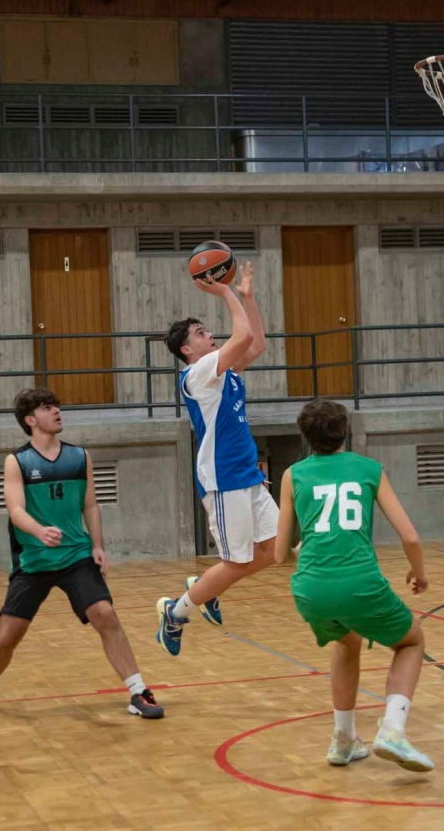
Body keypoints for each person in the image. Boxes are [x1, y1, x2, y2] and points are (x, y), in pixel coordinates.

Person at [0, 388, 164, 720]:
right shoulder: (17, 461)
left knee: (105, 614)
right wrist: (39, 531)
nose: (56, 411)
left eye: (57, 407)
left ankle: (138, 691)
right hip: (34, 560)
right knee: (6, 637)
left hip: (76, 556)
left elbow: (90, 504)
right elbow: (15, 510)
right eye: (47, 408)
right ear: (30, 420)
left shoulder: (79, 456)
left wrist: (97, 546)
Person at [274, 399, 434, 772]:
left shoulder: (292, 475)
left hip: (310, 589)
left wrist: (309, 547)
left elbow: (281, 553)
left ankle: (343, 740)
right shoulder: (368, 469)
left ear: (306, 436)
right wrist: (418, 571)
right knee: (411, 641)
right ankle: (393, 729)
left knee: (347, 641)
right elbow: (410, 536)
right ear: (344, 431)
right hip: (359, 582)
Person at [156, 261, 276, 656]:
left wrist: (247, 298)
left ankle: (206, 587)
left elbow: (256, 344)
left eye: (207, 330)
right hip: (224, 480)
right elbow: (243, 336)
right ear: (187, 350)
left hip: (247, 474)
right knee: (236, 562)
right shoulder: (197, 374)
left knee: (276, 549)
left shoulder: (224, 372)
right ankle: (176, 612)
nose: (210, 335)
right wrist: (224, 291)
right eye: (200, 333)